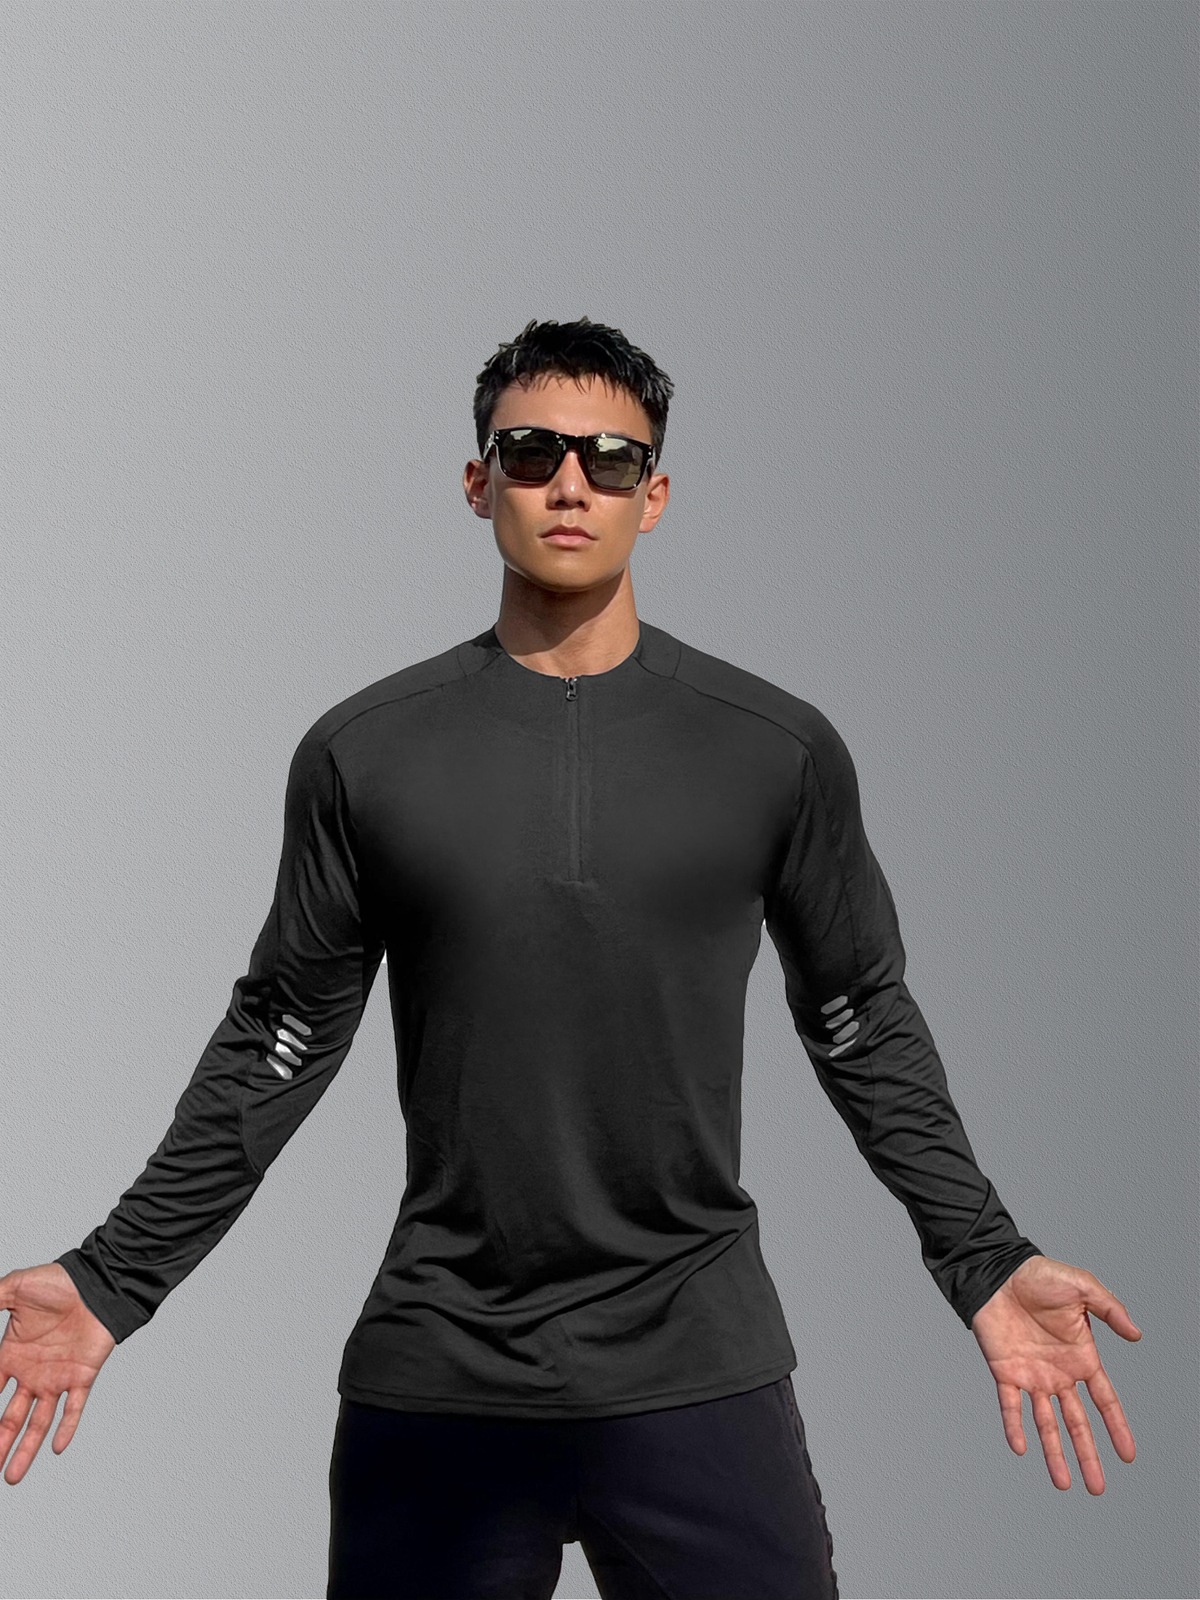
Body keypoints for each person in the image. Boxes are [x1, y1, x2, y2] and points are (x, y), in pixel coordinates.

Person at [0, 317, 1140, 1598]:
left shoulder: (774, 748)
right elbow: (280, 1036)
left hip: (697, 1362)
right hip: (441, 1374)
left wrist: (982, 1256)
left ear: (656, 495)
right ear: (477, 479)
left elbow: (862, 1019)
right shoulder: (363, 753)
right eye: (533, 451)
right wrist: (115, 1276)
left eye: (610, 458)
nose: (570, 485)